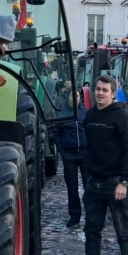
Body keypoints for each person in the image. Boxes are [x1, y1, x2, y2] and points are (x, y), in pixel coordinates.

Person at [67, 74, 128, 255]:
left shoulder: (121, 116)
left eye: (104, 90)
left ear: (113, 93)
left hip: (115, 183)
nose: (99, 93)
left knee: (124, 234)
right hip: (94, 184)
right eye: (97, 89)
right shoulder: (91, 116)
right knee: (92, 233)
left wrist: (124, 182)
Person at [53, 89, 88, 227]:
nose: (75, 98)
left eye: (78, 95)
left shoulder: (85, 113)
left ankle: (91, 215)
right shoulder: (62, 114)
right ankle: (75, 215)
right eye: (72, 95)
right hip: (70, 155)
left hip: (85, 154)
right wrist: (62, 150)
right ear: (68, 97)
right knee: (72, 187)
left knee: (88, 186)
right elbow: (56, 133)